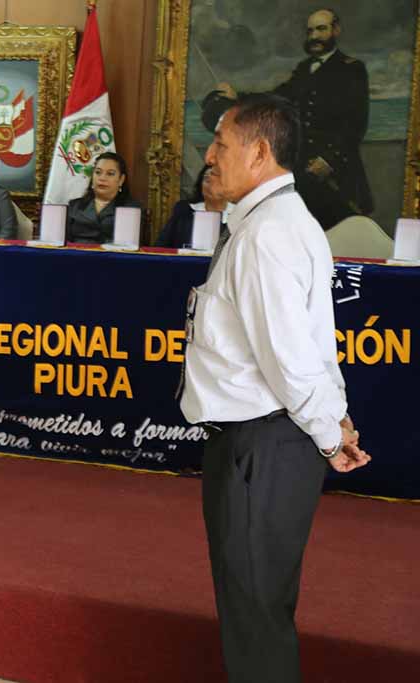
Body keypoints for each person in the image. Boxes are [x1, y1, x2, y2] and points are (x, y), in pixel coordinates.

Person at [179, 94, 371, 683]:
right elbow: (317, 341)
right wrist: (333, 422)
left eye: (222, 144)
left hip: (260, 448)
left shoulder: (267, 235)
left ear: (260, 153)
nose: (209, 156)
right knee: (257, 608)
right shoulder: (278, 222)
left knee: (255, 615)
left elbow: (289, 358)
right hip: (268, 442)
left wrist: (326, 434)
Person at [202, 9, 371, 229]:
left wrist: (328, 160)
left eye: (321, 29)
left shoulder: (351, 69)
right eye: (310, 31)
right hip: (305, 171)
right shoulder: (304, 69)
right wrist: (238, 96)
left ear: (335, 30)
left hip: (337, 171)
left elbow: (356, 124)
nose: (314, 36)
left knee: (342, 232)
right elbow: (278, 97)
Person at [64, 152, 141, 244]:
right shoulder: (74, 206)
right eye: (98, 172)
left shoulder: (131, 209)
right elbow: (65, 243)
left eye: (110, 174)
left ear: (121, 179)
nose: (102, 178)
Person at [154, 165, 232, 248]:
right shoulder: (183, 210)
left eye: (217, 180)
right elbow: (161, 246)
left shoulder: (240, 214)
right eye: (207, 179)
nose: (210, 186)